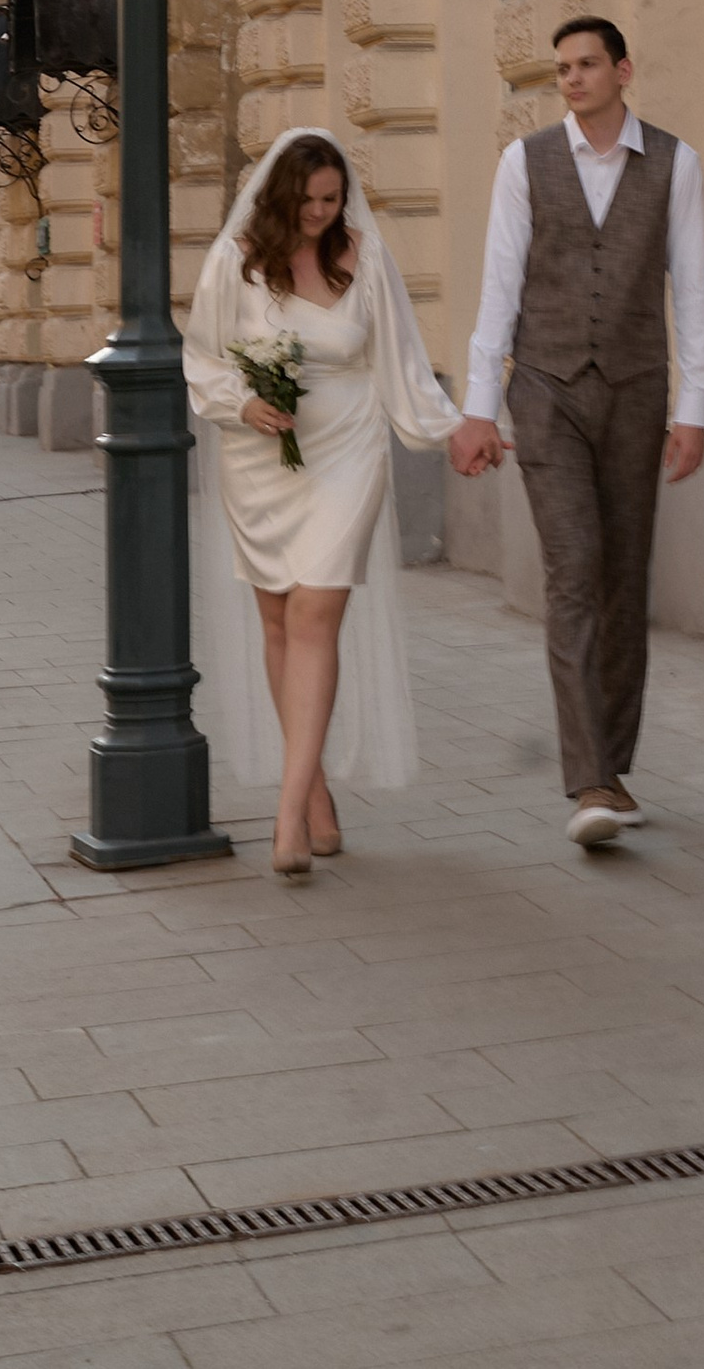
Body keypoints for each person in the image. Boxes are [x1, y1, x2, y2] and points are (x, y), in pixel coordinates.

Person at [186, 126, 490, 879]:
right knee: (278, 617)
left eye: (333, 199)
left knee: (316, 607)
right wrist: (243, 404)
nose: (322, 213)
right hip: (261, 457)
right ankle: (314, 787)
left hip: (349, 446)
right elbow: (203, 356)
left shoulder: (365, 255)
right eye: (311, 200)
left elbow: (402, 358)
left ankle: (287, 816)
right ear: (283, 196)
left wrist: (449, 429)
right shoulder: (236, 261)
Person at [456, 16, 704, 847]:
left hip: (638, 390)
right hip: (547, 391)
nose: (570, 79)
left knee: (624, 577)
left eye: (586, 65)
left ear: (622, 71)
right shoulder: (523, 162)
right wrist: (478, 406)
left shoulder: (675, 163)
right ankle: (589, 780)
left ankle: (616, 765)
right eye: (561, 68)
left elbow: (693, 292)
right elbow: (499, 287)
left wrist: (693, 409)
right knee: (575, 569)